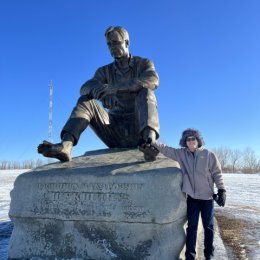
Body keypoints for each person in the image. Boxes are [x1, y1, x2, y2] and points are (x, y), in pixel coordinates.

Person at [38, 26, 160, 162]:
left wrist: (115, 89)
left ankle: (150, 144)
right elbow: (85, 87)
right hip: (114, 131)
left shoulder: (143, 63)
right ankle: (66, 146)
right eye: (109, 44)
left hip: (139, 131)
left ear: (127, 42)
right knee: (86, 100)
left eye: (116, 42)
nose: (112, 47)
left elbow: (153, 80)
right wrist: (101, 93)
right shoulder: (104, 71)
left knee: (146, 92)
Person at [150, 128, 226, 260]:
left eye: (193, 139)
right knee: (192, 228)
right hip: (192, 199)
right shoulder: (181, 154)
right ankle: (190, 256)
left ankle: (209, 254)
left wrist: (222, 190)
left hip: (207, 198)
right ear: (185, 142)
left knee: (208, 227)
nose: (191, 141)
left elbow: (217, 174)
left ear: (198, 140)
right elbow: (166, 149)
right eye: (188, 139)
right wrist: (152, 142)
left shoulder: (208, 154)